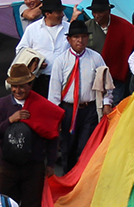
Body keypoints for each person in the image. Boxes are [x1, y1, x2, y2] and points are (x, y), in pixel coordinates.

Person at [0, 64, 62, 207]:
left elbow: (52, 136)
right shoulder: (2, 105)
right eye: (14, 86)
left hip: (34, 168)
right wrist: (10, 120)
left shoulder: (41, 105)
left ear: (30, 85)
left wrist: (50, 164)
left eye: (22, 86)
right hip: (8, 168)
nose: (18, 90)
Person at [47, 20, 113, 167]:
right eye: (76, 37)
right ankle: (68, 177)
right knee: (68, 147)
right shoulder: (61, 61)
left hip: (88, 109)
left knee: (86, 147)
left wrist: (106, 103)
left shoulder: (96, 58)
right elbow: (54, 92)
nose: (80, 40)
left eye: (83, 36)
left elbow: (107, 84)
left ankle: (82, 179)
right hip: (68, 110)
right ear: (68, 39)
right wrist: (55, 118)